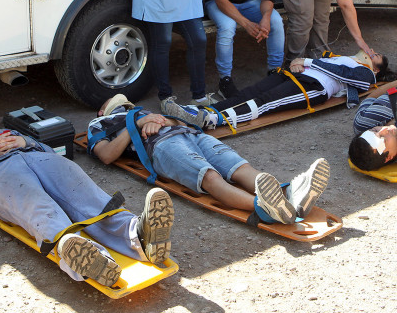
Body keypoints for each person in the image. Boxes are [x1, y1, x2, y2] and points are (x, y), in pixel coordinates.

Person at [0, 113, 175, 287]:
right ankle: (81, 255)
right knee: (40, 208)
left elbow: (49, 150)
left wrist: (25, 141)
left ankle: (139, 236)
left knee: (86, 196)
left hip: (38, 158)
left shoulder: (10, 133)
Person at [88, 95, 330, 225]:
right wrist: (135, 125)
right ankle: (264, 209)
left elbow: (182, 122)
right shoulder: (100, 124)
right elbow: (107, 156)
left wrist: (161, 120)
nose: (123, 104)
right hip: (161, 146)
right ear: (103, 111)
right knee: (210, 177)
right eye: (112, 101)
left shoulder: (143, 111)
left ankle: (291, 196)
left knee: (240, 168)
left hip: (192, 135)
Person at [161, 49, 393, 129]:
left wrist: (308, 62)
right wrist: (300, 62)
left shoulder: (366, 73)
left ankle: (214, 120)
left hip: (314, 87)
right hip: (296, 75)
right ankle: (195, 113)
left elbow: (346, 76)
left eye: (375, 55)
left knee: (264, 102)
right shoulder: (345, 57)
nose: (370, 51)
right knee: (248, 93)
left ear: (377, 68)